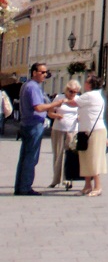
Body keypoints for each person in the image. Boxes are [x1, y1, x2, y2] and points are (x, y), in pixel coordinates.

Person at [14, 62, 63, 196]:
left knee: (25, 157)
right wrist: (55, 104)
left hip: (27, 124)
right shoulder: (33, 87)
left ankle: (20, 186)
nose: (44, 75)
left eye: (46, 72)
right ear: (34, 72)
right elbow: (39, 107)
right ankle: (25, 187)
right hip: (33, 124)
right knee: (31, 157)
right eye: (42, 72)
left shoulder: (27, 85)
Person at [75, 73, 107, 195]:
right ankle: (87, 185)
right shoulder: (94, 95)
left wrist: (64, 96)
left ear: (90, 85)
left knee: (94, 158)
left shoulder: (90, 95)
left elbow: (73, 102)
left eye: (86, 82)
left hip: (94, 131)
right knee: (85, 158)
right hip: (86, 130)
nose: (84, 84)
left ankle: (97, 186)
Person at [47, 79, 81, 190]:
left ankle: (68, 179)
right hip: (58, 129)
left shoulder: (78, 100)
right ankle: (56, 179)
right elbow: (50, 113)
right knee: (58, 154)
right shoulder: (59, 98)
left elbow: (82, 113)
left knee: (71, 155)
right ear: (66, 90)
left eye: (75, 92)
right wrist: (57, 116)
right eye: (71, 91)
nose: (73, 94)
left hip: (73, 130)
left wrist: (80, 118)